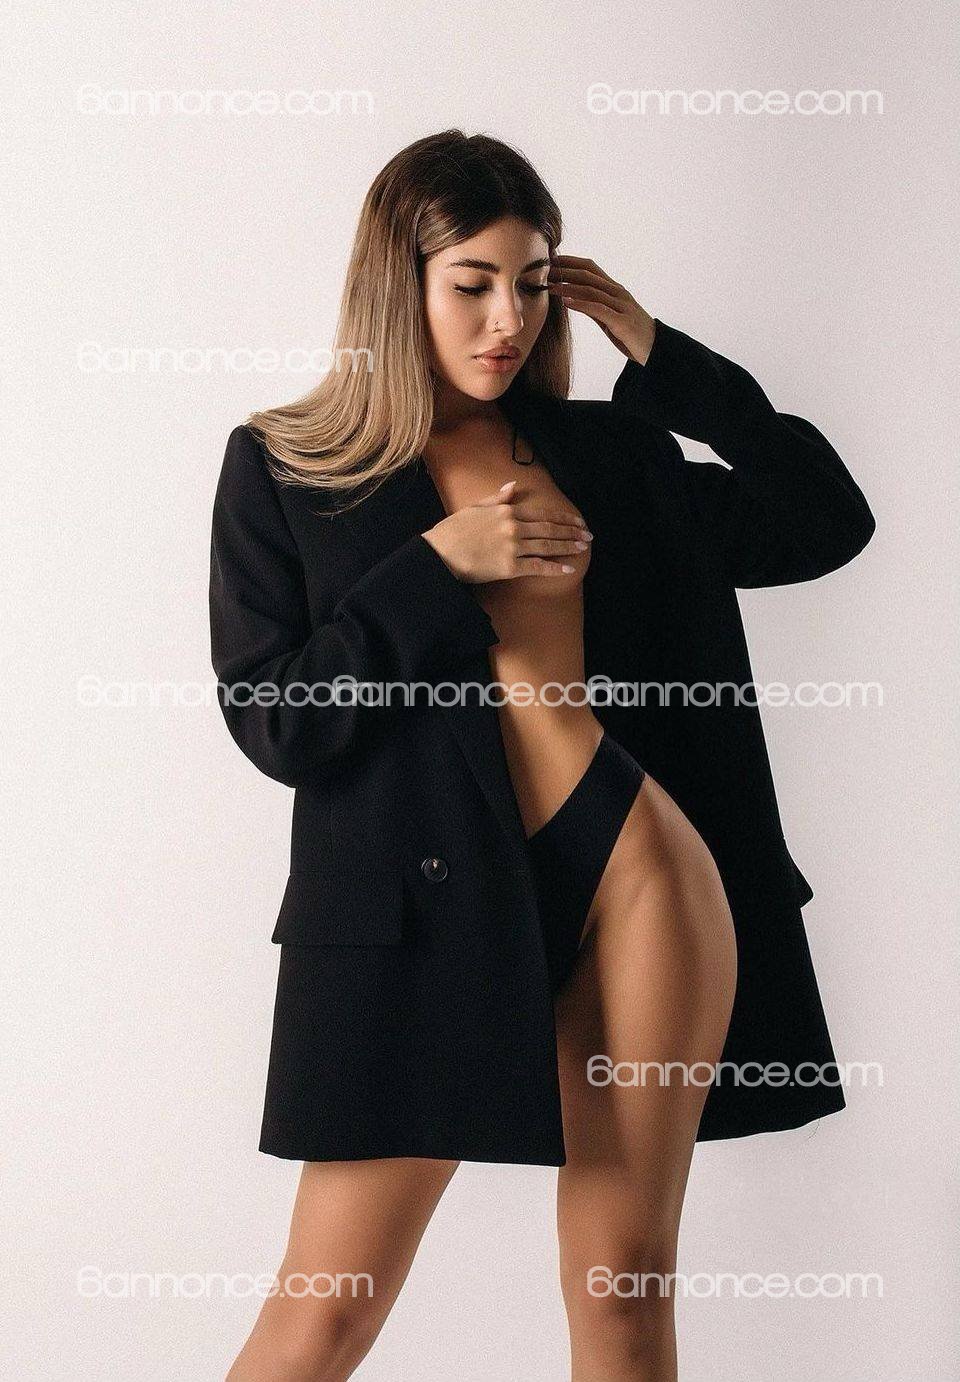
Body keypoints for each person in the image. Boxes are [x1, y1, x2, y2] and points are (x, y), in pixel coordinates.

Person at [210, 129, 875, 1381]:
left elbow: (825, 520)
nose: (508, 319)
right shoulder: (290, 467)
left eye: (532, 281)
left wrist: (667, 359)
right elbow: (277, 716)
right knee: (324, 1311)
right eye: (473, 283)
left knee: (624, 1291)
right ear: (397, 284)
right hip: (415, 911)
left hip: (638, 872)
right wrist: (435, 569)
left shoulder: (613, 456)